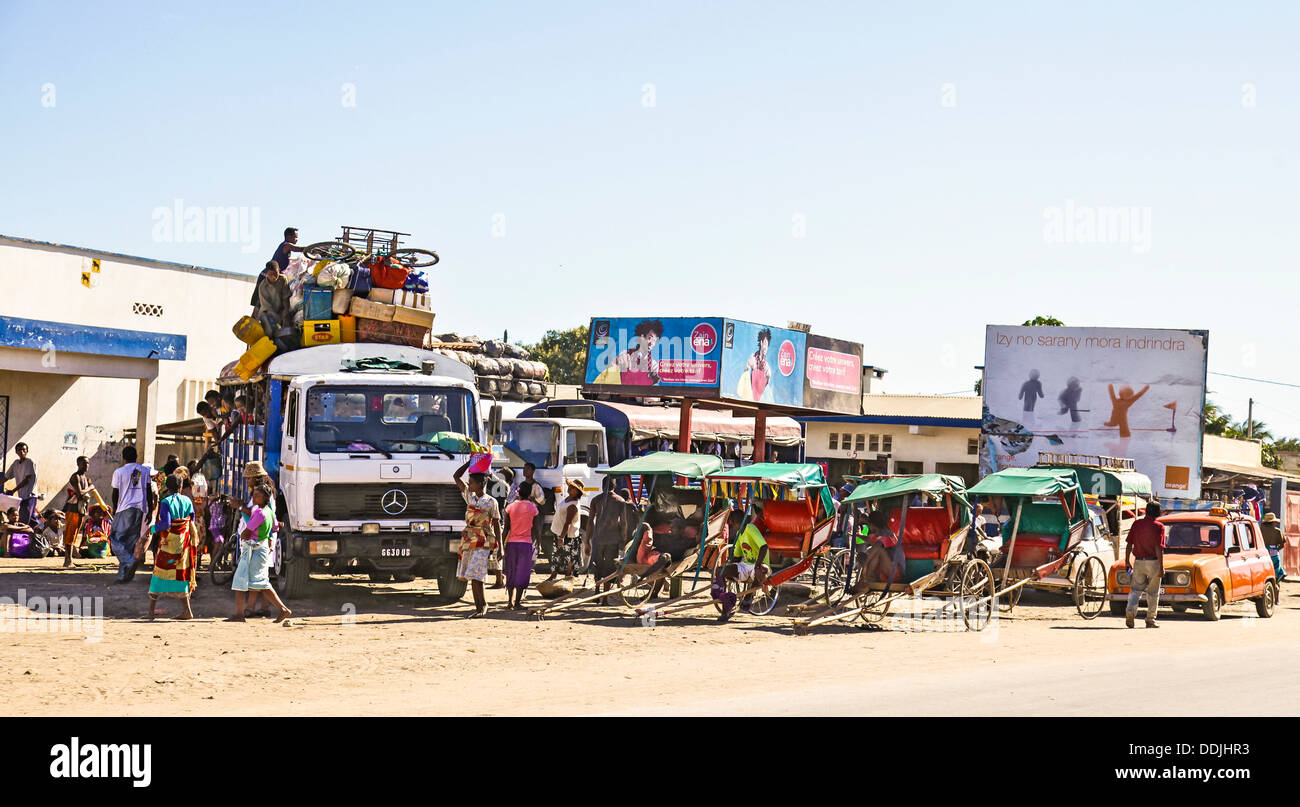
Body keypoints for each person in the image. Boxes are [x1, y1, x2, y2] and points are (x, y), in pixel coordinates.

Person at [228, 483, 292, 623]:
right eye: (254, 494)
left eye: (258, 495)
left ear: (265, 497)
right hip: (261, 549)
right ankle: (282, 610)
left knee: (245, 581)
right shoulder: (269, 511)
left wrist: (243, 537)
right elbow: (275, 526)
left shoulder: (259, 512)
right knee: (260, 582)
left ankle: (240, 615)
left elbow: (247, 531)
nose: (254, 497)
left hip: (254, 549)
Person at [453, 459, 501, 617]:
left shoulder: (491, 502)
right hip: (469, 540)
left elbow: (496, 524)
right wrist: (470, 463)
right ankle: (479, 606)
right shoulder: (470, 497)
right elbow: (456, 476)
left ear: (480, 484)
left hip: (484, 540)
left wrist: (500, 546)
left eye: (471, 482)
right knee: (471, 575)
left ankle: (482, 606)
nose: (469, 485)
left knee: (476, 574)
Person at [146, 474, 197, 619]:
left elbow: (166, 524)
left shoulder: (166, 501)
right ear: (181, 487)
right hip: (183, 544)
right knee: (181, 575)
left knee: (159, 573)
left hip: (169, 544)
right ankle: (187, 611)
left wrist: (153, 529)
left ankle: (150, 612)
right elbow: (190, 520)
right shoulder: (187, 500)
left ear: (167, 487)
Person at [109, 446, 155, 583]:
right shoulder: (145, 471)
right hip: (139, 509)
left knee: (115, 539)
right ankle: (123, 575)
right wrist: (150, 510)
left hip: (124, 508)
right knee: (129, 542)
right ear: (136, 456)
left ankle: (129, 561)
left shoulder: (119, 472)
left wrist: (115, 508)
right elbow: (148, 492)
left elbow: (115, 492)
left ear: (124, 457)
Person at [713, 511, 771, 620]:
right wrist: (728, 568)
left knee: (761, 570)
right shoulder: (740, 533)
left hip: (760, 565)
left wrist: (757, 565)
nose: (732, 526)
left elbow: (764, 547)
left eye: (732, 523)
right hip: (746, 566)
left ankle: (749, 597)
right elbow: (737, 556)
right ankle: (726, 602)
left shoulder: (751, 529)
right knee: (720, 570)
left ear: (735, 522)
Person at [586, 477, 635, 601]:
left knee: (598, 565)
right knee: (608, 567)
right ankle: (605, 598)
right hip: (612, 539)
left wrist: (587, 540)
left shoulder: (596, 500)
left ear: (602, 486)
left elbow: (590, 521)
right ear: (615, 486)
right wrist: (623, 538)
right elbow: (624, 523)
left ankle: (597, 592)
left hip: (598, 538)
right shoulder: (620, 501)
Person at [1124, 501, 1165, 628]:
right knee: (1153, 592)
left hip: (1139, 562)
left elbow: (1129, 544)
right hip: (1153, 562)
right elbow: (1159, 548)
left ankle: (1130, 609)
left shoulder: (1137, 524)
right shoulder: (1159, 526)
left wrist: (1127, 561)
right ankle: (1150, 619)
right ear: (1158, 512)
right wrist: (1161, 566)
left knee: (1135, 590)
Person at [502, 480, 539, 609]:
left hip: (512, 543)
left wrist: (502, 544)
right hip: (526, 544)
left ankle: (509, 602)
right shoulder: (533, 508)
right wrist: (539, 542)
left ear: (518, 492)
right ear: (529, 494)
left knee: (511, 571)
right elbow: (535, 527)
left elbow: (506, 528)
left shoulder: (511, 506)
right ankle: (517, 602)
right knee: (522, 572)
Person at [850, 509, 906, 595]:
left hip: (895, 572)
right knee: (862, 555)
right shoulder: (879, 533)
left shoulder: (887, 534)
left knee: (877, 551)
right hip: (885, 570)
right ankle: (867, 579)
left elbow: (876, 547)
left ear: (872, 524)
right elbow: (870, 540)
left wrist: (865, 568)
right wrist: (858, 535)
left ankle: (865, 580)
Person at [62, 455, 97, 568]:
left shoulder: (85, 479)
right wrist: (90, 488)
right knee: (70, 534)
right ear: (78, 464)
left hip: (81, 509)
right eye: (84, 463)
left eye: (87, 463)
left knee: (74, 534)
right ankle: (67, 560)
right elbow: (80, 494)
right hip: (72, 509)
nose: (86, 465)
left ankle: (70, 559)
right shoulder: (75, 477)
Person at [547, 479, 583, 581]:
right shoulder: (568, 499)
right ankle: (554, 576)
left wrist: (561, 537)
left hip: (567, 535)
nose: (570, 488)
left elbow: (568, 523)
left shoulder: (573, 505)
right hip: (560, 532)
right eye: (570, 486)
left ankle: (567, 578)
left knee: (568, 559)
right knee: (557, 556)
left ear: (577, 492)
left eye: (573, 488)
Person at [2, 442, 38, 526]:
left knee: (23, 521)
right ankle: (36, 535)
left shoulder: (30, 462)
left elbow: (26, 480)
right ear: (16, 452)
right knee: (32, 520)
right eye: (19, 450)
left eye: (23, 450)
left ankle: (24, 537)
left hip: (30, 496)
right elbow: (6, 477)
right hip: (22, 496)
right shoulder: (16, 463)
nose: (21, 452)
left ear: (27, 451)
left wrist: (13, 490)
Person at [253, 260, 293, 334]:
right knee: (269, 327)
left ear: (279, 271)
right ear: (267, 273)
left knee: (288, 321)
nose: (274, 277)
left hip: (280, 310)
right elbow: (267, 308)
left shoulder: (283, 279)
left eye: (276, 274)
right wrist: (279, 319)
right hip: (268, 313)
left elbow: (286, 299)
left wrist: (285, 314)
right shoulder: (263, 286)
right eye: (271, 274)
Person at [1261, 512, 1286, 582]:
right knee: (1276, 570)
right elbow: (1282, 545)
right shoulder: (1277, 531)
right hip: (1274, 554)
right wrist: (1275, 549)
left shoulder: (1260, 530)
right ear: (1273, 522)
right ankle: (1276, 581)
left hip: (1262, 554)